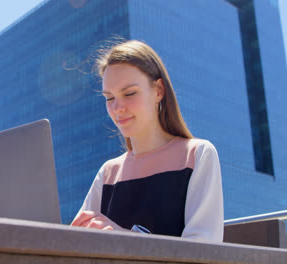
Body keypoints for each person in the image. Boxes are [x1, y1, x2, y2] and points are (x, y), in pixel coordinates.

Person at [70, 40, 224, 242]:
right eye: (109, 98)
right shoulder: (108, 173)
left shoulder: (197, 155)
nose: (117, 108)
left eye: (130, 93)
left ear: (159, 90)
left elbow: (204, 252)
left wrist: (125, 239)